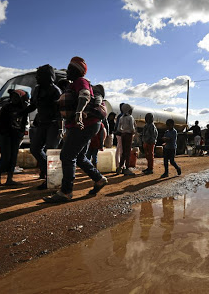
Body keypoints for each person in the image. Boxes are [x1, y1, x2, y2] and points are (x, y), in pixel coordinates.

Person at [43, 56, 107, 203]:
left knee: (67, 156)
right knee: (79, 157)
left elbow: (84, 95)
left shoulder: (80, 81)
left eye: (70, 69)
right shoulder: (73, 84)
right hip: (84, 124)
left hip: (84, 123)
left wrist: (78, 114)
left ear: (78, 71)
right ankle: (99, 179)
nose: (67, 71)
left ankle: (66, 192)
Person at [25, 64, 62, 189]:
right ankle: (50, 174)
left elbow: (60, 112)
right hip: (42, 124)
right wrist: (19, 112)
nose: (36, 78)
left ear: (47, 76)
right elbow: (33, 106)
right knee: (35, 149)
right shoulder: (37, 90)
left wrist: (61, 129)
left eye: (39, 75)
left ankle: (53, 180)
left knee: (51, 150)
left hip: (54, 124)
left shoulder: (56, 91)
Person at [0, 89, 30, 186]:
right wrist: (2, 133)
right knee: (5, 157)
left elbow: (23, 123)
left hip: (16, 136)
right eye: (13, 97)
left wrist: (21, 134)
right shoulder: (6, 107)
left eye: (16, 97)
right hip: (5, 135)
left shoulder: (24, 109)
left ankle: (9, 179)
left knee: (13, 157)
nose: (14, 99)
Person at [116, 103, 136, 175]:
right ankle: (127, 169)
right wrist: (133, 132)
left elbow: (119, 128)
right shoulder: (130, 117)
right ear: (129, 110)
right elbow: (132, 128)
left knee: (123, 152)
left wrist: (123, 131)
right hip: (128, 135)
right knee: (128, 152)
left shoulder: (121, 118)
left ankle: (120, 167)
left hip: (123, 135)